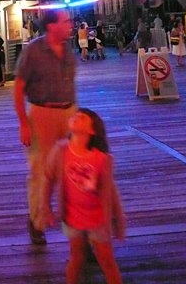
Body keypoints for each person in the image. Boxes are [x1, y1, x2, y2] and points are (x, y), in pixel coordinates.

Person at [37, 108, 125, 284]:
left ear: (92, 130)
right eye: (75, 115)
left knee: (106, 259)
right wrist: (45, 206)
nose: (76, 116)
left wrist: (118, 217)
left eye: (82, 117)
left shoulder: (102, 159)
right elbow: (48, 178)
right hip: (72, 217)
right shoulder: (61, 150)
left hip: (98, 218)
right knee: (77, 257)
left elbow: (110, 190)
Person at [14, 10, 76, 245]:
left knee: (75, 171)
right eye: (66, 21)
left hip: (69, 113)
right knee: (41, 171)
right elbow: (19, 87)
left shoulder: (68, 50)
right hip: (42, 114)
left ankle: (80, 231)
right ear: (51, 26)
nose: (70, 24)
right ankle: (37, 222)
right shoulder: (33, 51)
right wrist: (23, 123)